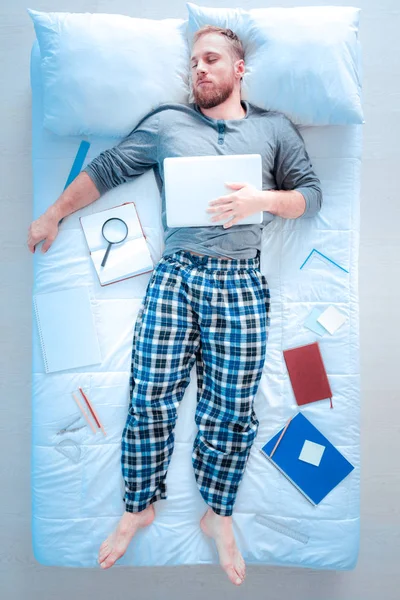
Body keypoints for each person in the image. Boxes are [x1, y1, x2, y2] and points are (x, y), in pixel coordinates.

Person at [27, 25, 322, 585]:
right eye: (193, 63)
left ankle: (218, 512)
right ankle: (140, 504)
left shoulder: (274, 129)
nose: (200, 70)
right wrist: (54, 214)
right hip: (177, 277)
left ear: (240, 69)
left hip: (240, 280)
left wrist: (262, 199)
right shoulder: (168, 123)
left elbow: (311, 194)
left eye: (212, 60)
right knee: (150, 394)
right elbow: (108, 169)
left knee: (231, 408)